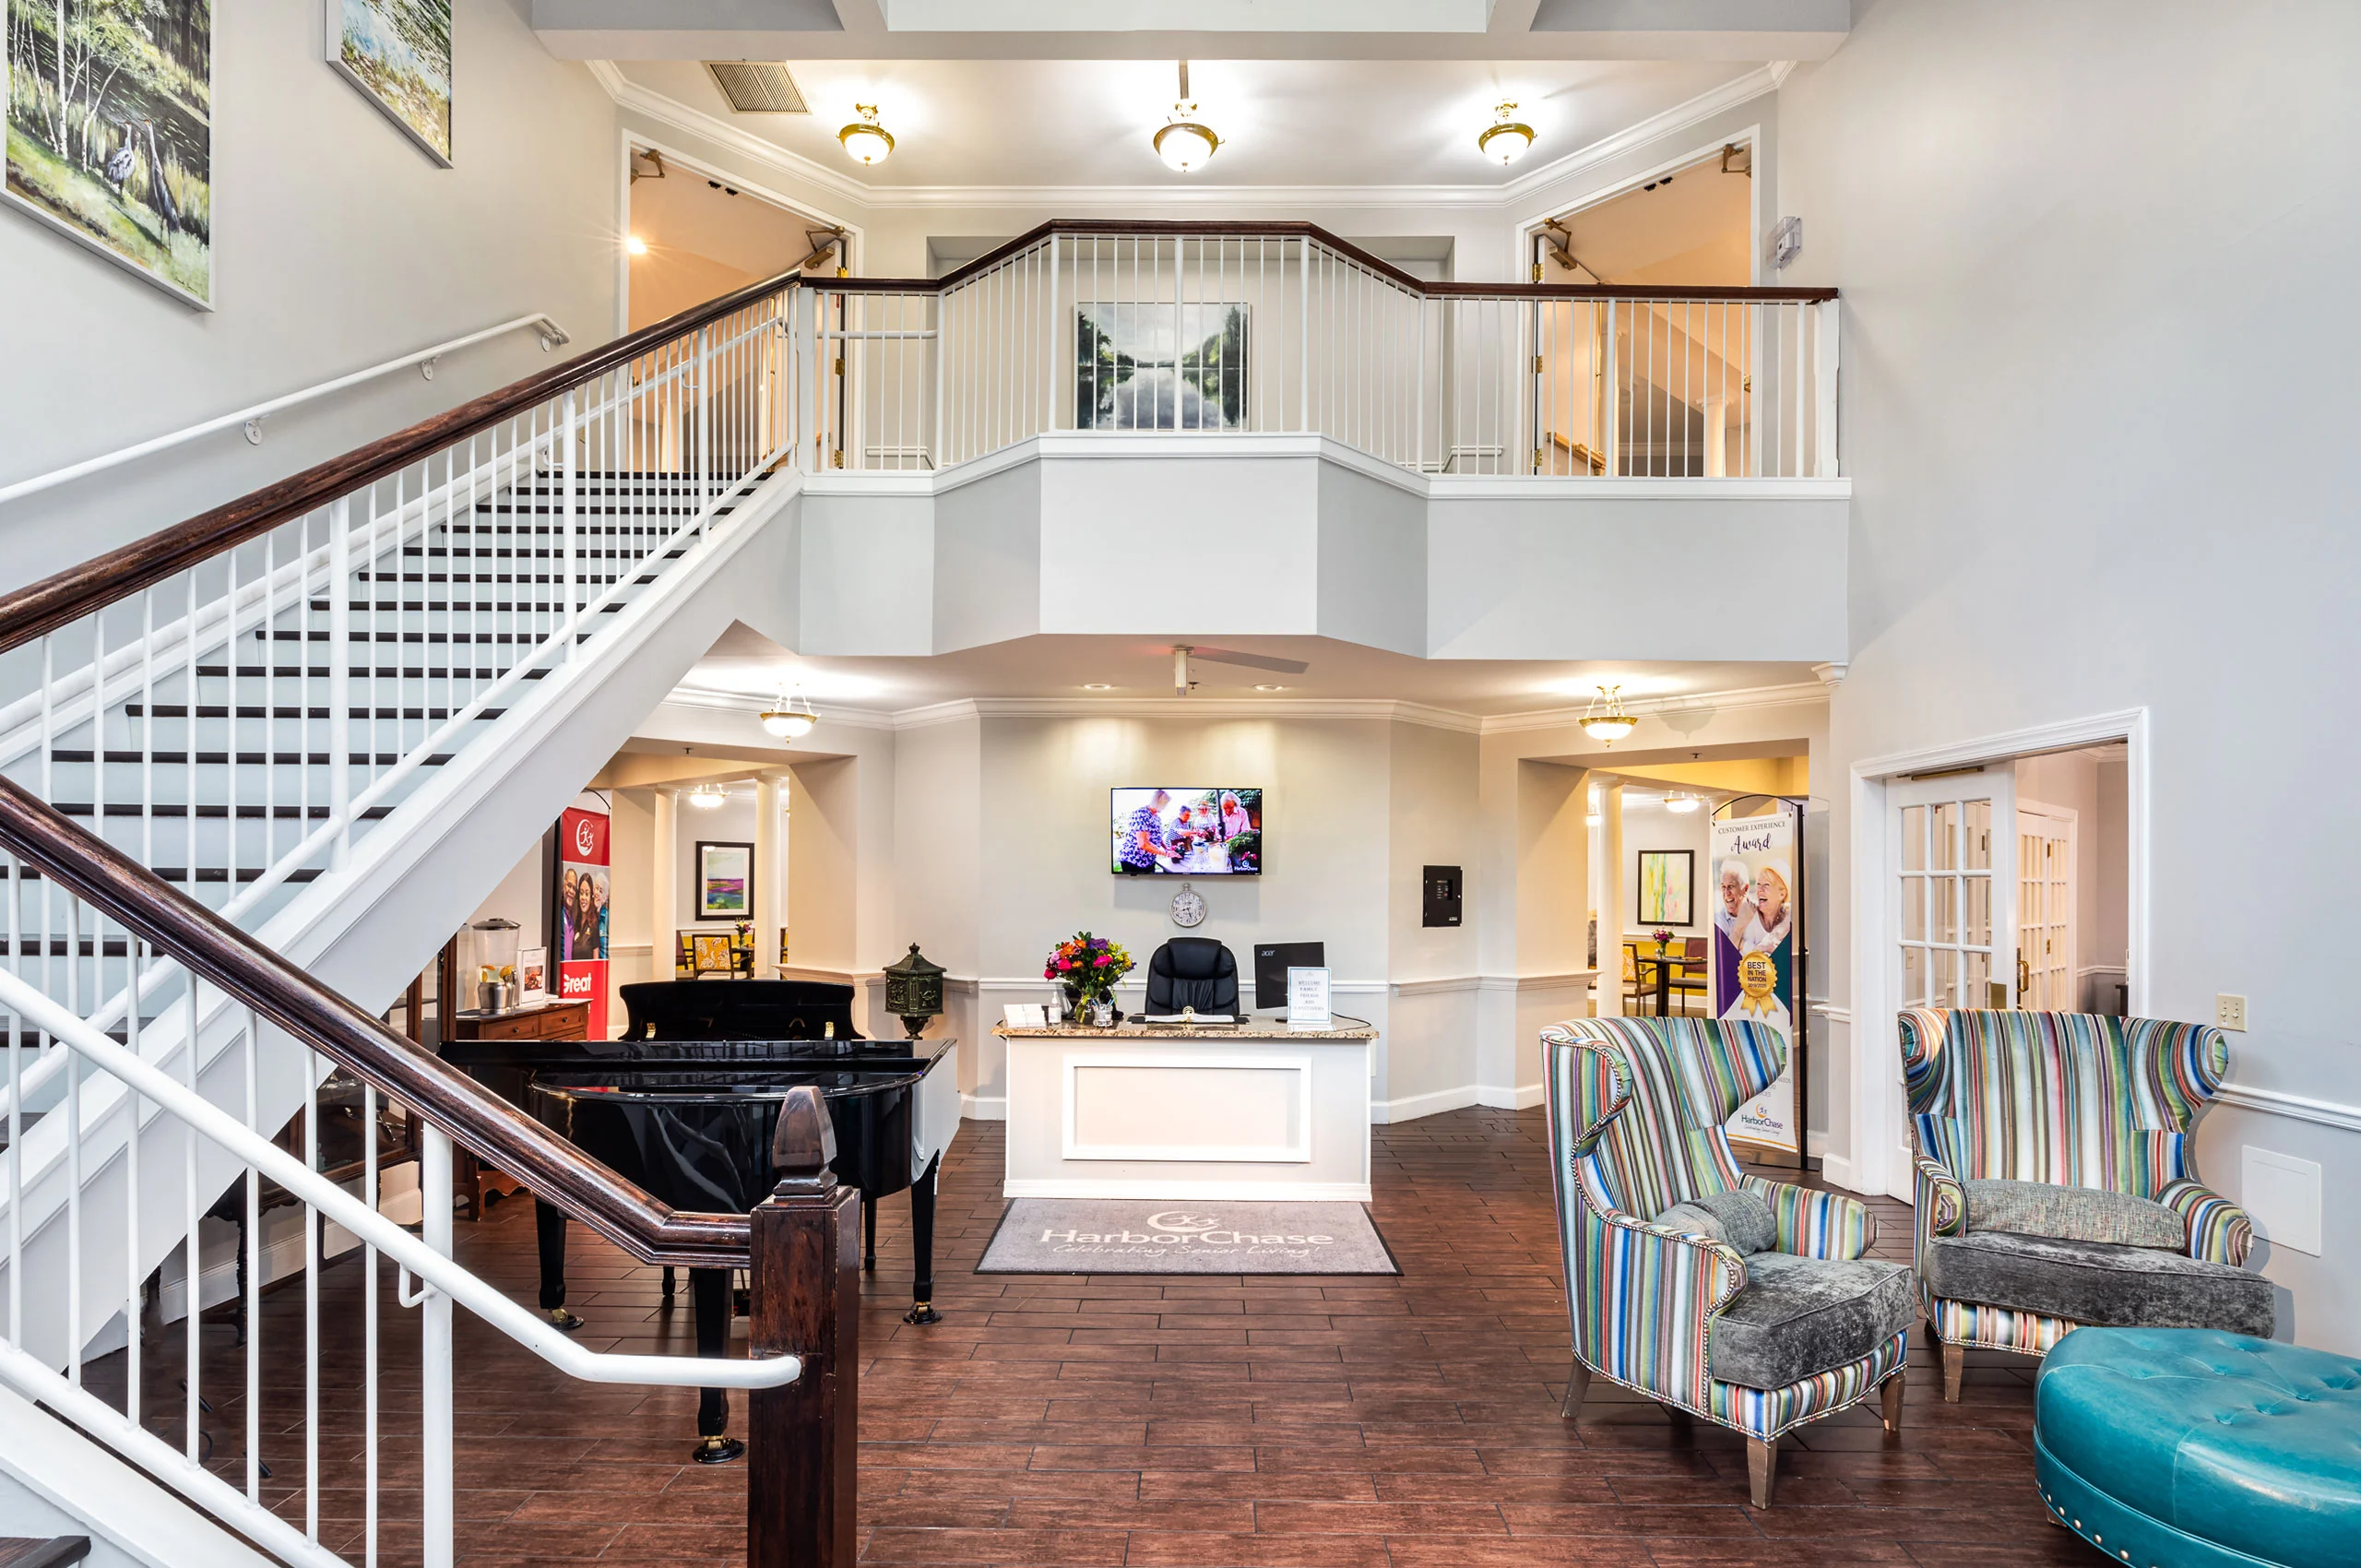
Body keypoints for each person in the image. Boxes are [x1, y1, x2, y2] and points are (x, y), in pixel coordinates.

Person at [1117, 790, 1174, 873]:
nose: (1165, 807)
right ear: (1159, 802)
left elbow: (1158, 836)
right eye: (1165, 804)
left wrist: (1166, 848)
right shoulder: (1142, 814)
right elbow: (1143, 844)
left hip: (1149, 860)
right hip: (1134, 860)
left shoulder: (1157, 817)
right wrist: (1165, 853)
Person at [569, 875, 601, 959]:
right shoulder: (575, 924)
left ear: (591, 897)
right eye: (581, 893)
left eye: (587, 894)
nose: (583, 897)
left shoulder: (594, 924)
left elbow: (596, 960)